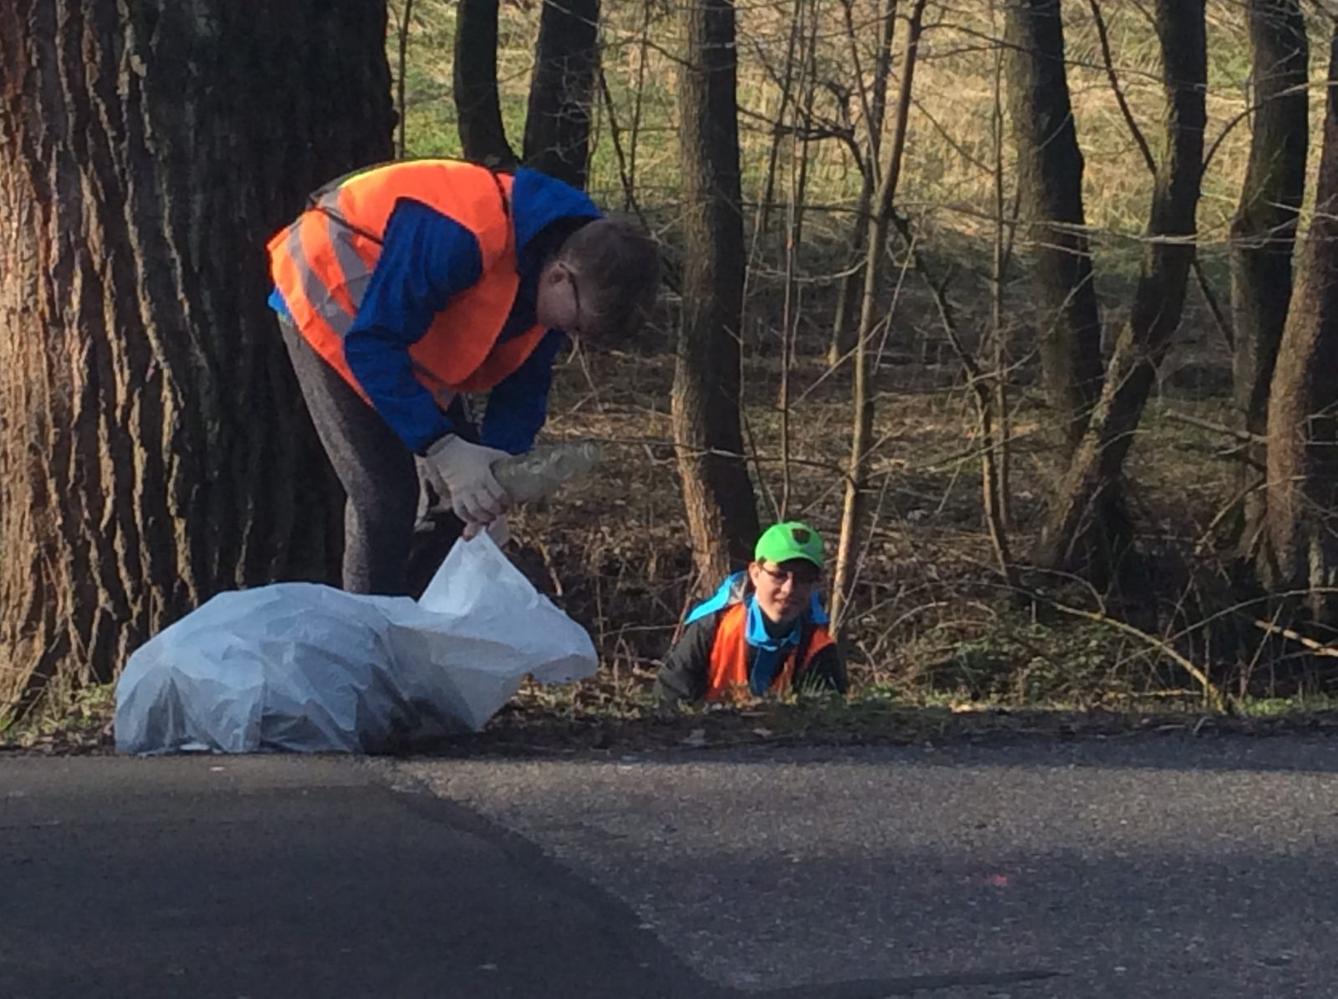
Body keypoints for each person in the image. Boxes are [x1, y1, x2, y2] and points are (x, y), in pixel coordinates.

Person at [266, 158, 659, 595]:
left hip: (399, 331)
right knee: (386, 496)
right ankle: (368, 639)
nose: (572, 338)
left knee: (461, 503)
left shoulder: (563, 273)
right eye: (577, 327)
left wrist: (499, 474)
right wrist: (443, 446)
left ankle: (412, 621)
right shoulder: (466, 233)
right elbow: (372, 344)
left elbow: (523, 388)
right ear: (557, 276)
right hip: (330, 291)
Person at [654, 522, 848, 707]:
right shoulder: (713, 627)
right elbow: (668, 699)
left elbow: (826, 718)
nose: (789, 589)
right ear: (755, 573)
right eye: (779, 575)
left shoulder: (819, 646)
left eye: (804, 579)